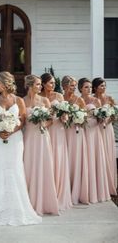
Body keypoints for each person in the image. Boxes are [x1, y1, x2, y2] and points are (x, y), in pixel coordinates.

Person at [0, 71, 42, 226]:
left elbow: (23, 121)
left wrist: (10, 131)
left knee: (15, 169)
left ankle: (17, 208)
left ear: (6, 83)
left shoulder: (18, 100)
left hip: (15, 140)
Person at [23, 75, 59, 215]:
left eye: (40, 84)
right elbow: (21, 119)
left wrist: (44, 124)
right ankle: (29, 200)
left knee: (43, 165)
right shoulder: (22, 100)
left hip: (43, 135)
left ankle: (44, 200)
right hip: (29, 136)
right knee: (29, 165)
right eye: (38, 84)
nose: (40, 87)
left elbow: (51, 120)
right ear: (30, 85)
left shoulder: (44, 100)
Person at [40, 73, 72, 211]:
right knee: (47, 161)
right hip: (45, 130)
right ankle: (46, 194)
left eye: (54, 83)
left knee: (58, 159)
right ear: (43, 84)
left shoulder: (59, 97)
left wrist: (64, 115)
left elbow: (66, 114)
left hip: (58, 130)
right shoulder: (39, 98)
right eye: (51, 83)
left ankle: (58, 194)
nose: (53, 85)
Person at [78, 78, 110, 203]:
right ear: (80, 88)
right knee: (84, 159)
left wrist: (101, 117)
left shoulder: (95, 101)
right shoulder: (77, 100)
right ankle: (84, 188)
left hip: (94, 132)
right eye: (86, 87)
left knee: (93, 157)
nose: (89, 89)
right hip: (82, 130)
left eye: (90, 87)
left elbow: (102, 118)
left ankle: (95, 190)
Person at [62, 76, 89, 205]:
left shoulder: (79, 100)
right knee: (64, 159)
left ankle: (76, 190)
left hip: (76, 133)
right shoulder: (60, 98)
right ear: (64, 86)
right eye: (72, 85)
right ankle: (64, 190)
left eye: (74, 85)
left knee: (75, 159)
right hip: (63, 132)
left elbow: (85, 119)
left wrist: (78, 118)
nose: (74, 88)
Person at [92, 77, 117, 195]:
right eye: (101, 86)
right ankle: (98, 182)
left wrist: (108, 121)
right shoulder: (92, 99)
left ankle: (108, 182)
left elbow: (115, 115)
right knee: (97, 154)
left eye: (104, 85)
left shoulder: (110, 99)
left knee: (107, 153)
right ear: (95, 87)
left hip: (107, 129)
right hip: (96, 130)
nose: (104, 88)